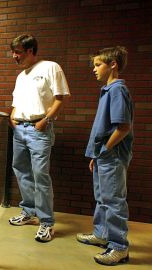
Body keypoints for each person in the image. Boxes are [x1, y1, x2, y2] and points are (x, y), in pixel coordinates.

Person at [7, 34, 70, 242]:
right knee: (21, 171)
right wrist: (12, 115)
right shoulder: (21, 75)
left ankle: (47, 222)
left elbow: (60, 97)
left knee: (40, 175)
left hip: (39, 129)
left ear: (31, 51)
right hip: (19, 130)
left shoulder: (51, 67)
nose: (14, 56)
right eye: (13, 52)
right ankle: (28, 211)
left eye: (18, 52)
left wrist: (45, 120)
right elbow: (16, 101)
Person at [77, 46, 133, 266]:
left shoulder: (118, 90)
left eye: (98, 64)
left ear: (113, 65)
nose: (94, 69)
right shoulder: (107, 90)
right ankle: (102, 234)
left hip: (113, 155)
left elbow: (123, 127)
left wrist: (106, 150)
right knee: (102, 198)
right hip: (103, 155)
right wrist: (96, 155)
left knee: (113, 201)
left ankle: (119, 247)